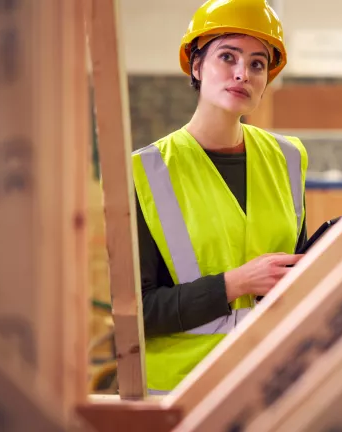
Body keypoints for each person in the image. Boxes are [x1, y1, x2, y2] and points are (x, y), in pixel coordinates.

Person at [131, 0, 309, 395]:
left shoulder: (289, 158)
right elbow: (137, 313)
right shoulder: (146, 171)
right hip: (183, 393)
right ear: (196, 66)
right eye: (227, 57)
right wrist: (235, 283)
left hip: (272, 387)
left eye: (258, 64)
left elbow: (292, 276)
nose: (243, 73)